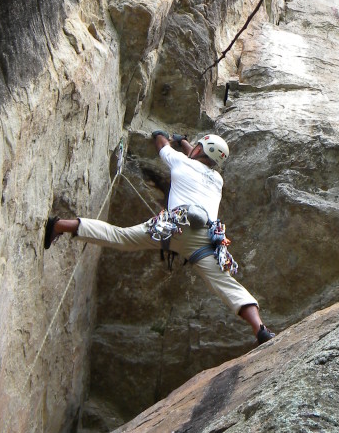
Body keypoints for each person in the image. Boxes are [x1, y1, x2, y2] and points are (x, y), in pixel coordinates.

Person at [44, 130, 275, 345]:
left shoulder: (180, 162)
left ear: (198, 150)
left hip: (172, 225)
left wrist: (162, 136)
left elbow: (163, 146)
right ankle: (259, 328)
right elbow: (197, 154)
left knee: (120, 236)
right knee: (226, 284)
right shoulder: (217, 181)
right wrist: (184, 142)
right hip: (204, 238)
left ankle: (60, 225)